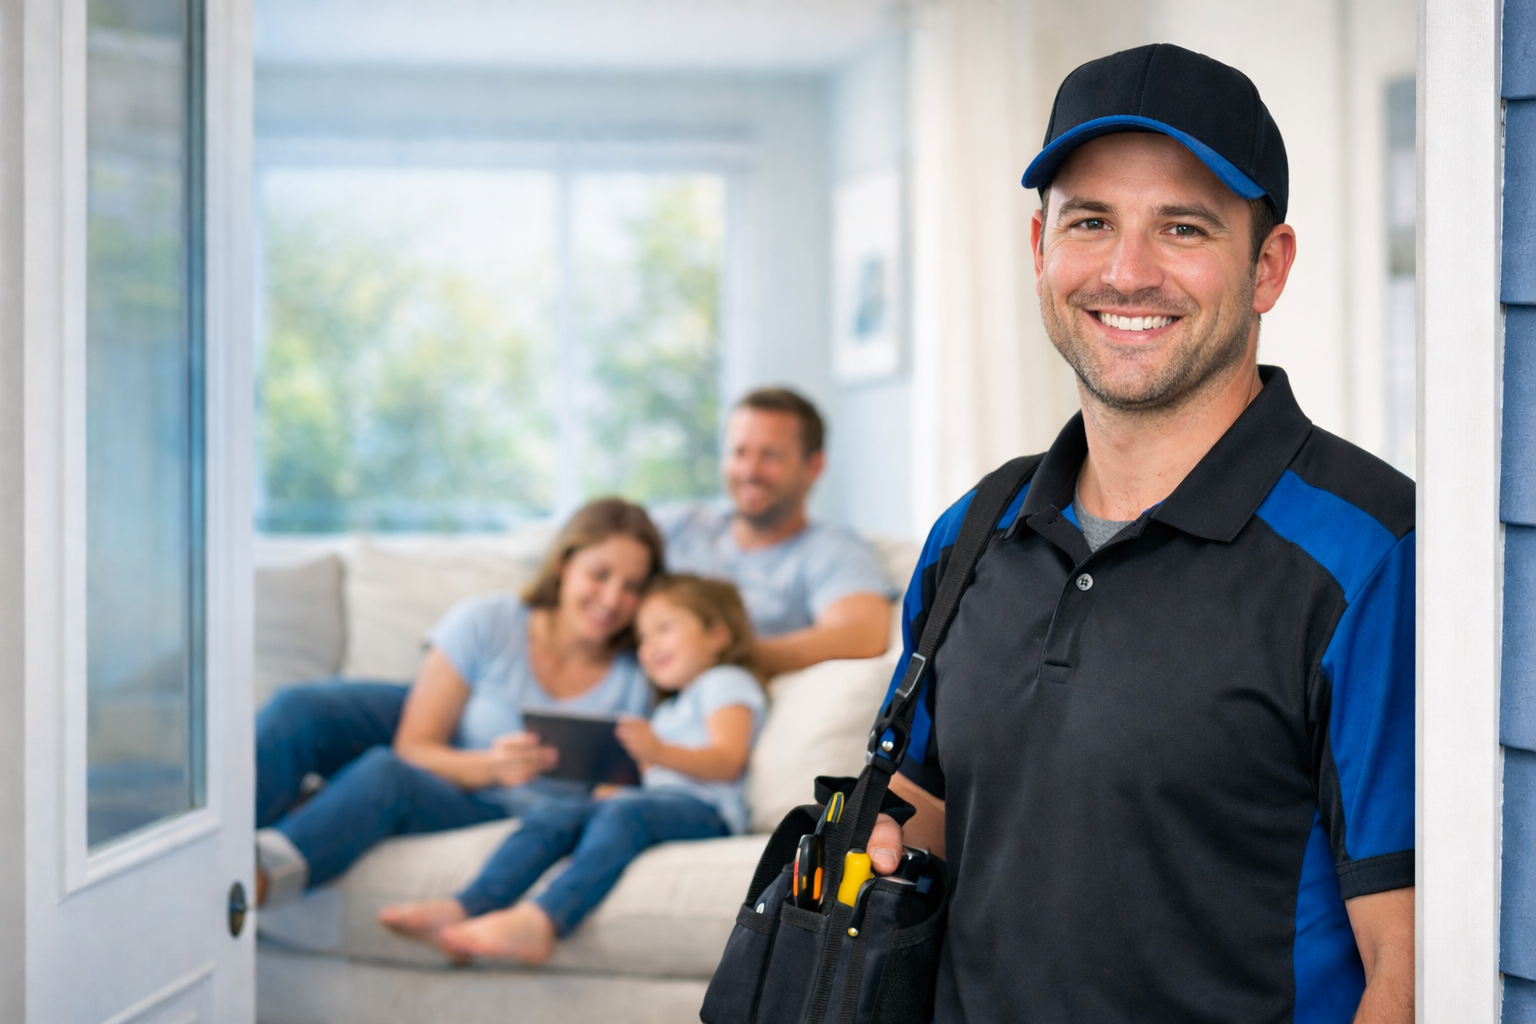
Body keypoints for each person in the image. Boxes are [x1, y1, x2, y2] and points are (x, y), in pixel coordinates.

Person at [865, 45, 1414, 1023]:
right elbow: (920, 837)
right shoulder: (972, 533)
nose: (1127, 272)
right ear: (1039, 248)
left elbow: (1406, 966)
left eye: (1183, 227)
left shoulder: (1372, 555)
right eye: (1090, 222)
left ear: (1268, 266)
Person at [254, 498, 665, 905]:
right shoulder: (487, 622)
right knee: (297, 710)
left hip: (493, 807)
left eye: (632, 587)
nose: (612, 600)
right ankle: (222, 847)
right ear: (563, 565)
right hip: (460, 754)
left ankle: (256, 880)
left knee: (385, 775)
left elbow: (646, 778)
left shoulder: (642, 675)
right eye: (599, 575)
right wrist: (491, 765)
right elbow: (414, 744)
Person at [376, 574, 767, 962]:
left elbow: (727, 760)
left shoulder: (724, 681)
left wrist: (658, 752)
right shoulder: (669, 707)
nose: (649, 648)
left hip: (706, 812)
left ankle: (542, 920)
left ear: (718, 634)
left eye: (664, 629)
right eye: (643, 638)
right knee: (556, 813)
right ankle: (467, 907)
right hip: (653, 802)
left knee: (624, 814)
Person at [654, 386, 893, 676]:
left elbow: (862, 634)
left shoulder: (830, 550)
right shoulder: (681, 524)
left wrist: (723, 657)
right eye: (739, 452)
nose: (750, 471)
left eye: (770, 456)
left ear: (814, 466)